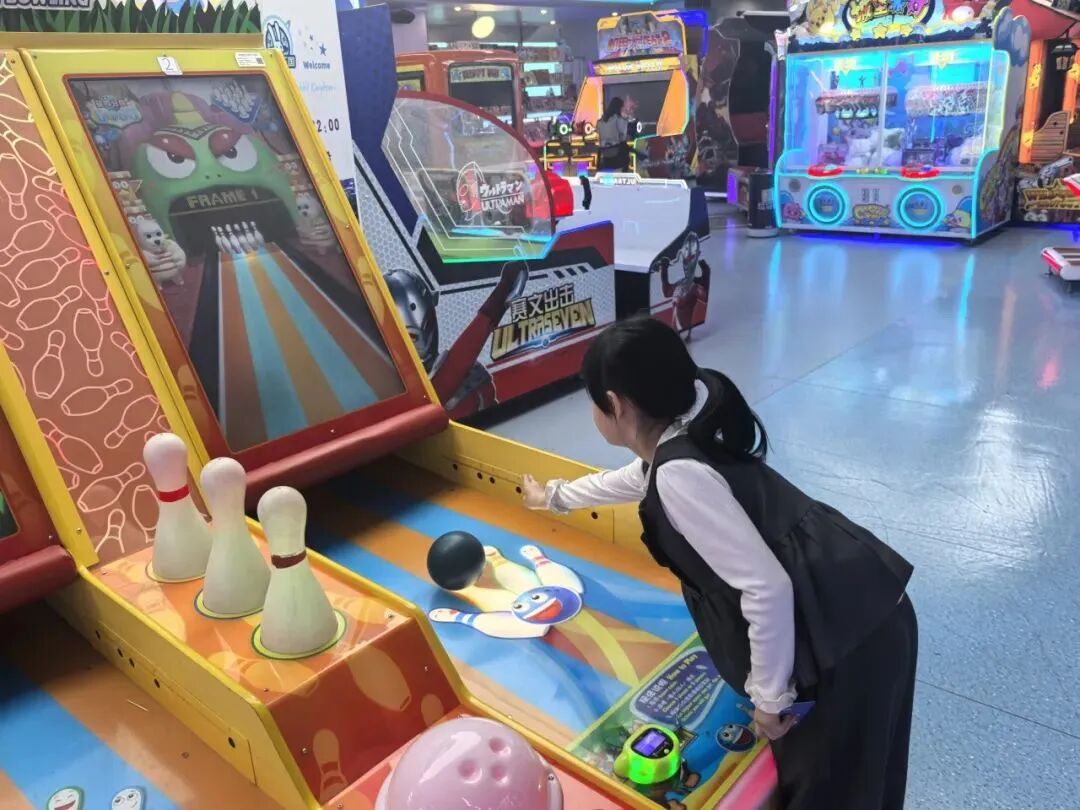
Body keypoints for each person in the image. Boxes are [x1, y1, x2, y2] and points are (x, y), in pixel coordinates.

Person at [521, 318, 917, 810]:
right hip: (863, 603)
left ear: (615, 404)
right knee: (867, 779)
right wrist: (554, 496)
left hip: (850, 635)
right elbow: (630, 480)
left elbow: (766, 588)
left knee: (835, 790)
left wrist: (770, 698)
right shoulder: (684, 437)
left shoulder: (680, 476)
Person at [597, 97, 630, 171]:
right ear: (619, 108)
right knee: (626, 147)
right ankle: (625, 174)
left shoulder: (600, 121)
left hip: (604, 154)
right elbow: (623, 137)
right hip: (616, 153)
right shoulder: (618, 119)